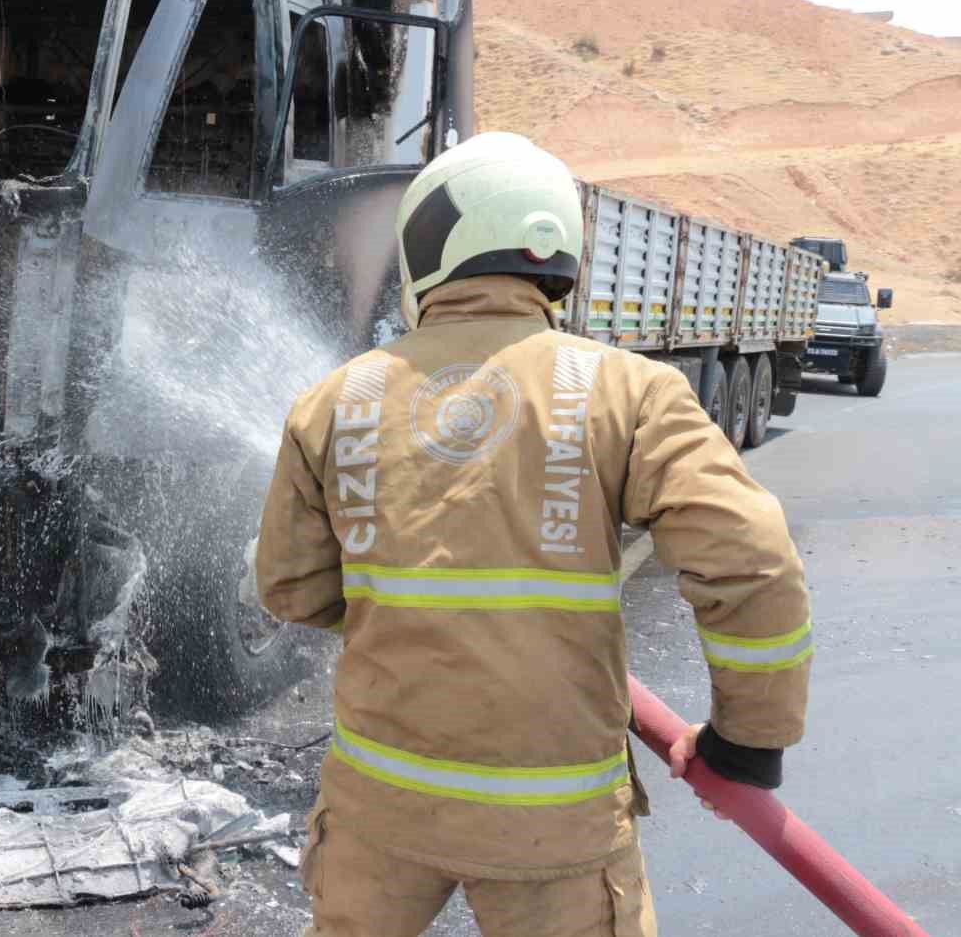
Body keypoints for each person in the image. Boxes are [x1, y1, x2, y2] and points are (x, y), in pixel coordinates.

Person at [255, 132, 813, 937]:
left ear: (428, 244)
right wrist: (745, 743)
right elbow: (752, 560)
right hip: (555, 825)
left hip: (378, 813)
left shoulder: (335, 399)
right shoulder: (629, 390)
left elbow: (290, 587)